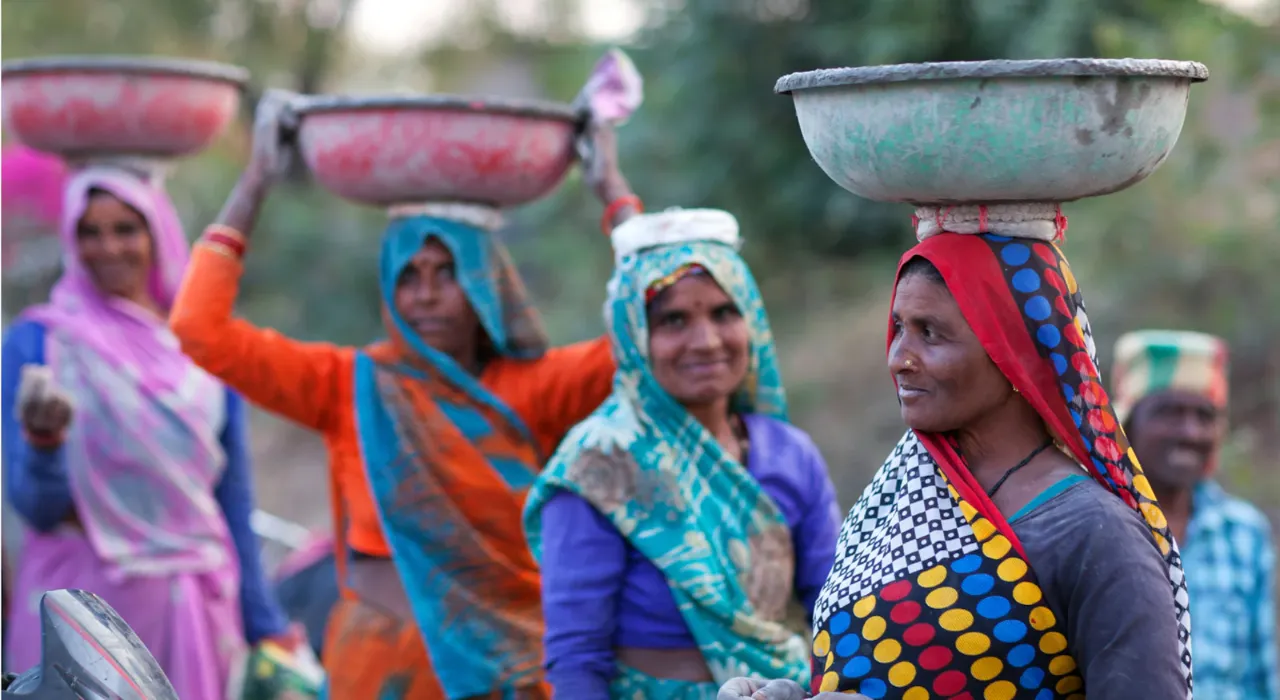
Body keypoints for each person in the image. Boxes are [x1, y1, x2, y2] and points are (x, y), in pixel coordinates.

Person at [168, 92, 627, 700]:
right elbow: (199, 329)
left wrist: (612, 190)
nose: (427, 295)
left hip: (510, 665)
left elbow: (648, 329)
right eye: (408, 275)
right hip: (380, 668)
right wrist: (256, 182)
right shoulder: (346, 385)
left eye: (449, 273)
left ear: (487, 284)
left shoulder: (536, 385)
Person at [720, 216, 1192, 700]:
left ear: (1015, 352)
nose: (898, 357)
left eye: (931, 334)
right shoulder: (898, 502)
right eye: (899, 327)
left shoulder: (1093, 534)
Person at [1, 165, 294, 699]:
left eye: (125, 229)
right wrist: (45, 445)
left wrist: (267, 624)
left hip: (194, 609)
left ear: (157, 233)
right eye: (89, 231)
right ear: (70, 239)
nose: (107, 247)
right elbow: (34, 508)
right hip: (80, 611)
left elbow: (231, 498)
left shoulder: (201, 350)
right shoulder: (40, 343)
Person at [524, 208, 843, 699]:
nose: (707, 341)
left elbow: (836, 605)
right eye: (673, 320)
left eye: (724, 313)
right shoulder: (598, 464)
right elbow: (576, 657)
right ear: (634, 338)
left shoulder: (789, 454)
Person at [1112, 329, 1277, 700]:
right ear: (1129, 425)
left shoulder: (1243, 534)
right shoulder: (1097, 526)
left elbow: (1259, 675)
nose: (1191, 432)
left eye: (1205, 415)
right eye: (1169, 412)